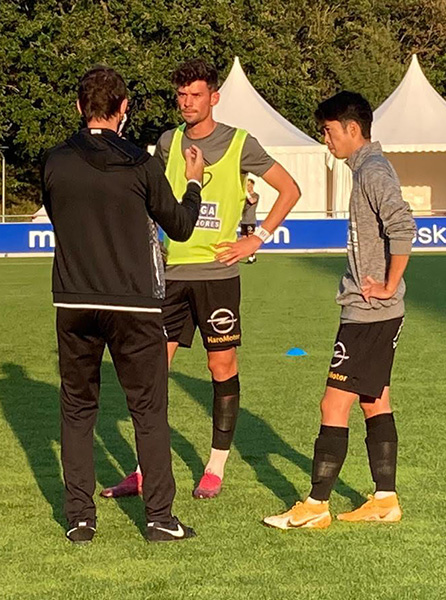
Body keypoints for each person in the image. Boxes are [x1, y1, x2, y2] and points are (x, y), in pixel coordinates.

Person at [101, 59, 301, 500]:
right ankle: (144, 468)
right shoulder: (168, 142)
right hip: (169, 275)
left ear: (214, 97)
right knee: (153, 370)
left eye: (195, 95)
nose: (187, 102)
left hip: (217, 275)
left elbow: (290, 189)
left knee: (220, 366)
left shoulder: (240, 143)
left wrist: (256, 239)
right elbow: (151, 197)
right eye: (181, 95)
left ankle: (215, 466)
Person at [43, 66, 204, 543]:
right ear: (124, 108)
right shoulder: (140, 162)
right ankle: (160, 518)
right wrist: (194, 184)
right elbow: (180, 226)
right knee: (148, 410)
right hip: (134, 303)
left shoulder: (54, 160)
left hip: (74, 300)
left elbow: (57, 214)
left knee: (77, 409)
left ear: (79, 107)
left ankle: (80, 518)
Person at [264, 91, 416, 530]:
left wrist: (388, 285)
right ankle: (385, 500)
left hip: (368, 313)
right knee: (374, 399)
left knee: (333, 404)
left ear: (352, 128)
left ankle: (315, 506)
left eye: (328, 131)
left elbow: (403, 226)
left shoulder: (373, 170)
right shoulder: (367, 168)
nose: (325, 140)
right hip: (377, 312)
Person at [241, 178, 259, 264]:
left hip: (250, 220)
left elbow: (252, 201)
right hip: (243, 220)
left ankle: (251, 256)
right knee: (244, 239)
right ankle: (251, 255)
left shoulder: (255, 195)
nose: (247, 187)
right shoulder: (244, 197)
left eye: (248, 185)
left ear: (252, 185)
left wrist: (246, 193)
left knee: (250, 239)